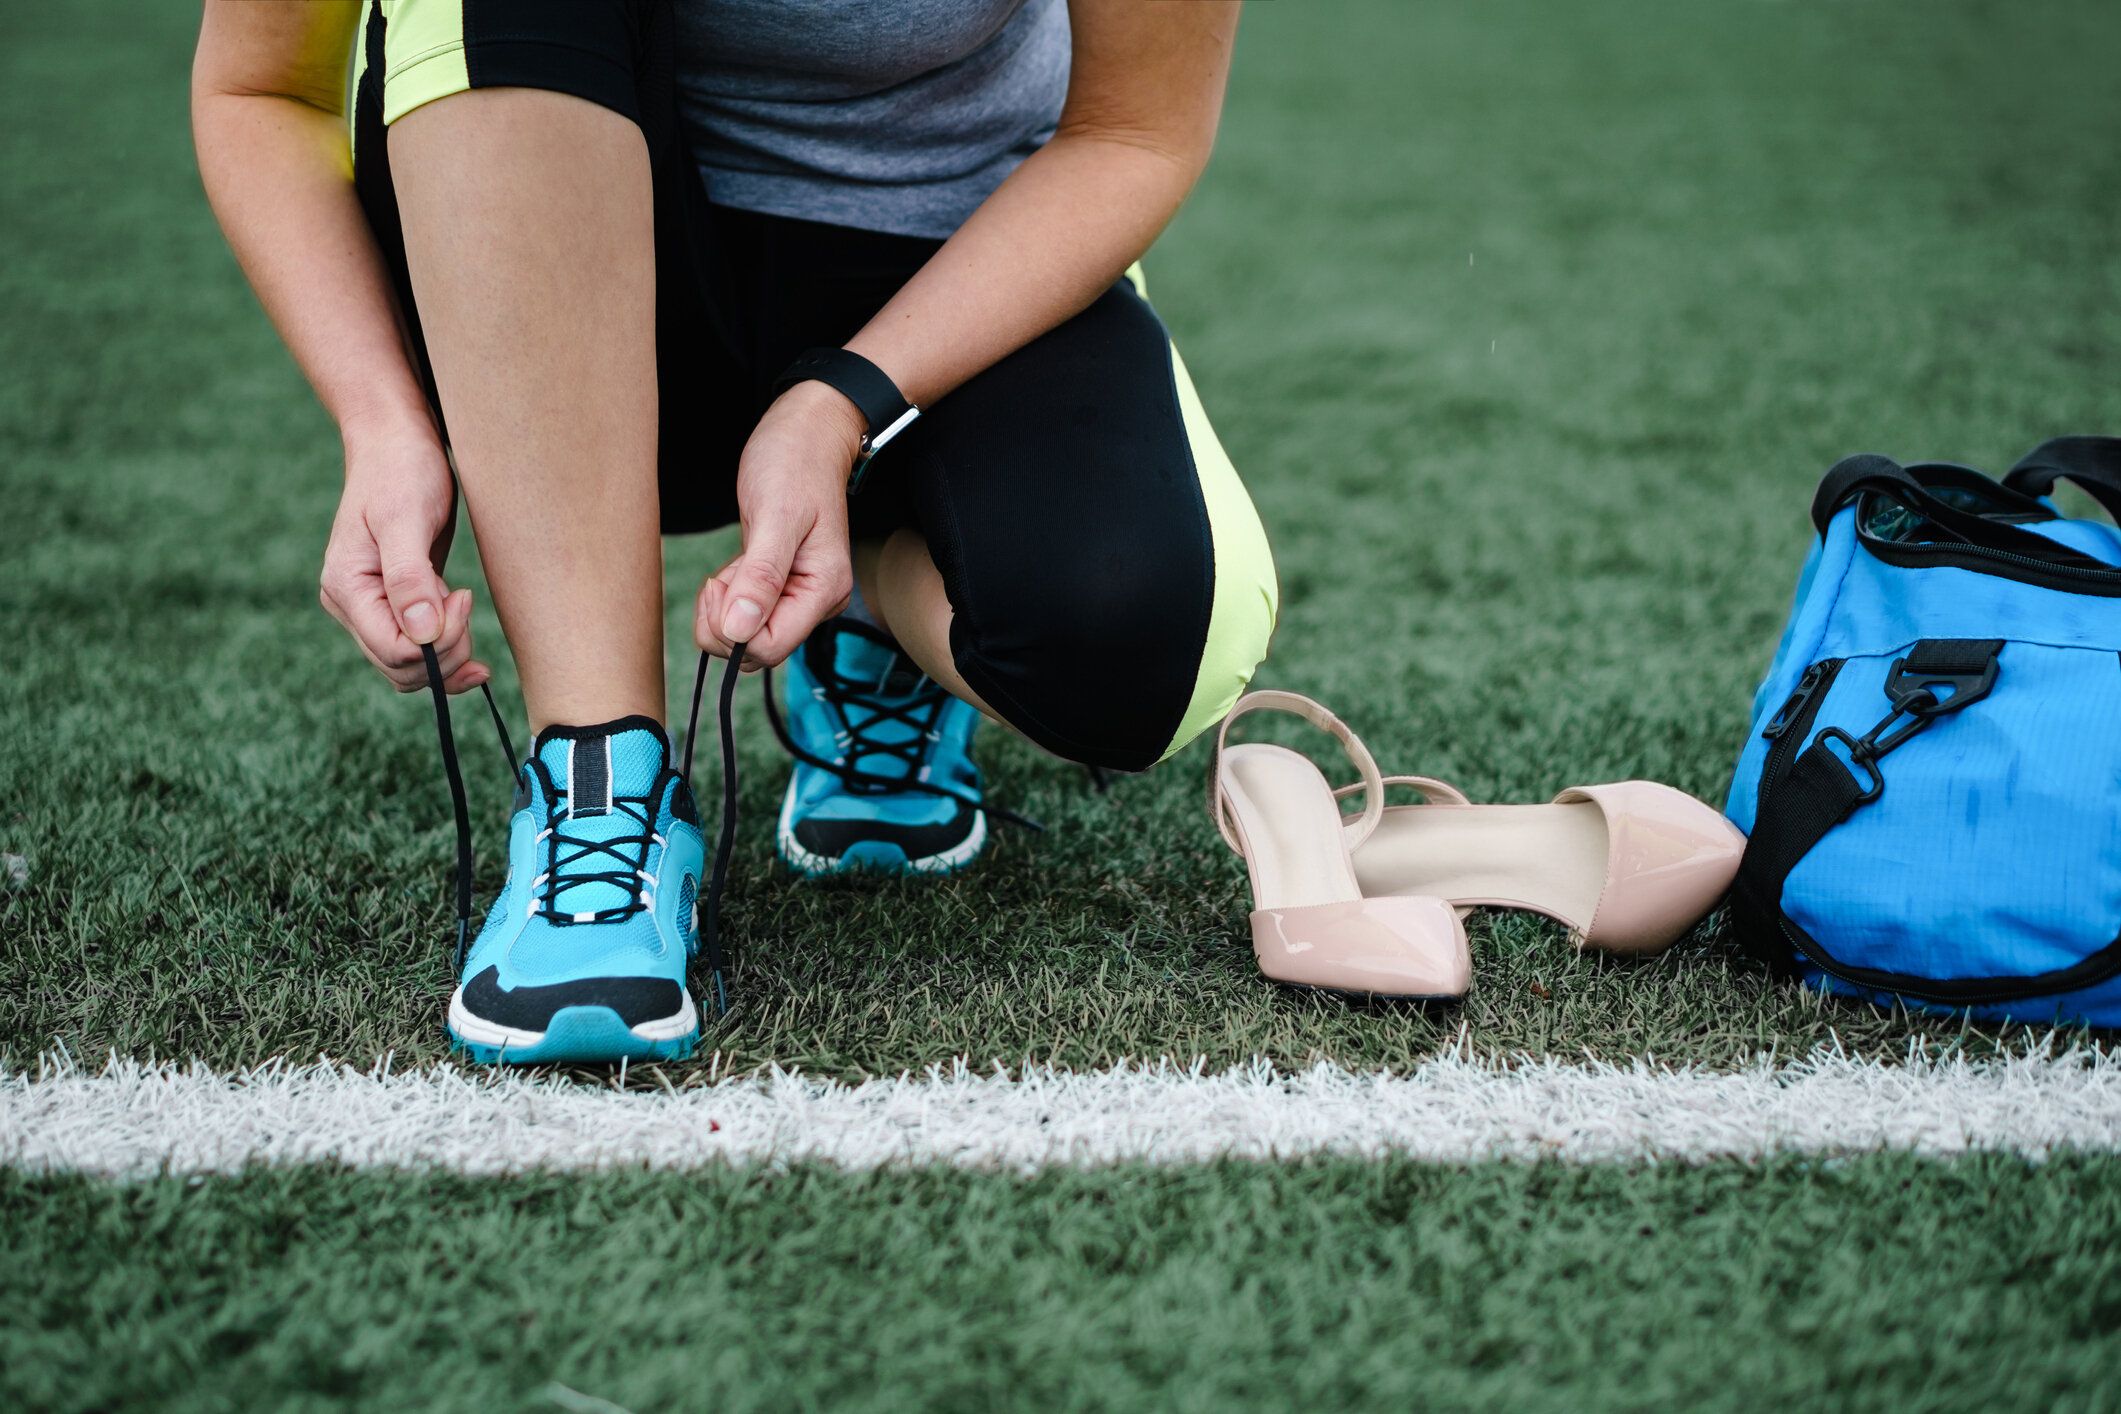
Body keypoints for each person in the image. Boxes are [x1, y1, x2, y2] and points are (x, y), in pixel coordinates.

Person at [191, 0, 1277, 1063]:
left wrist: (843, 406)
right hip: (560, 246)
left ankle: (871, 597)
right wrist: (379, 421)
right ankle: (600, 775)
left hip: (951, 261)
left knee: (1141, 648)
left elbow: (1134, 131)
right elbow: (261, 84)